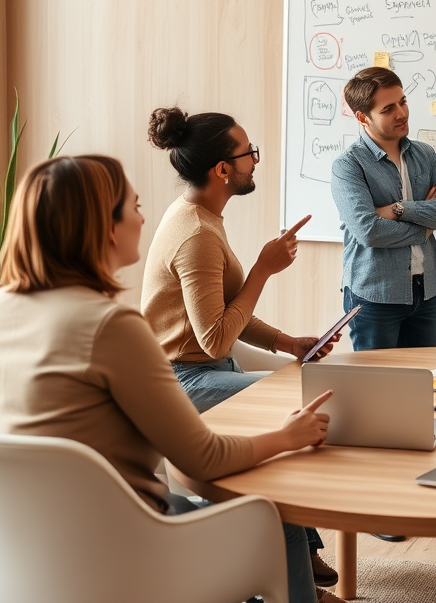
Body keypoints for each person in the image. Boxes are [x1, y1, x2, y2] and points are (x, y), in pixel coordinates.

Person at [0, 156, 337, 603]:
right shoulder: (111, 326)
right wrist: (287, 436)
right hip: (133, 546)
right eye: (133, 206)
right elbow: (205, 459)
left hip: (30, 552)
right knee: (272, 497)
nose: (142, 218)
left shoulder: (2, 308)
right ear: (104, 226)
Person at [141, 107, 339, 589]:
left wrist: (286, 342)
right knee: (290, 409)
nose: (255, 160)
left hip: (204, 368)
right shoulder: (196, 234)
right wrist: (262, 271)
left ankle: (300, 562)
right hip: (185, 381)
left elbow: (222, 312)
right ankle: (292, 574)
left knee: (297, 391)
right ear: (222, 170)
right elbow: (214, 338)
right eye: (248, 152)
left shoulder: (200, 215)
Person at [331, 67, 436, 351]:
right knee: (378, 388)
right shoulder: (348, 166)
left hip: (426, 291)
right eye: (388, 109)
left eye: (402, 102)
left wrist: (398, 209)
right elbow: (369, 231)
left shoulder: (424, 154)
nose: (401, 113)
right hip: (374, 294)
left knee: (419, 384)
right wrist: (426, 225)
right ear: (362, 118)